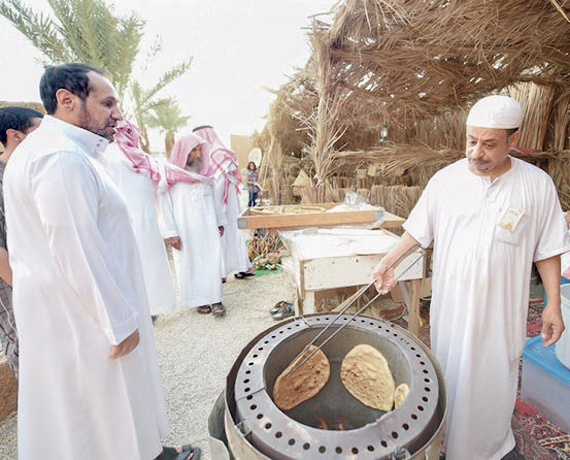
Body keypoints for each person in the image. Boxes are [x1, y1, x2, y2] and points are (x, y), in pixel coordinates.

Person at [3, 63, 199, 460]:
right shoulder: (59, 158)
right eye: (107, 102)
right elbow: (76, 247)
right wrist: (119, 322)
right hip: (84, 316)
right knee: (98, 411)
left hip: (78, 311)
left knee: (102, 409)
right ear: (67, 100)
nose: (119, 114)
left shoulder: (64, 152)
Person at [373, 95, 570, 460]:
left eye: (489, 144)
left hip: (502, 312)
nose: (476, 152)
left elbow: (548, 249)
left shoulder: (537, 185)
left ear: (514, 140)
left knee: (493, 381)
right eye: (471, 141)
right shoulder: (445, 181)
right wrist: (390, 261)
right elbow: (418, 232)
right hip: (453, 308)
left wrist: (553, 305)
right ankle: (444, 441)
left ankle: (489, 447)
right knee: (449, 373)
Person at [104, 119, 177, 319]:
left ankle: (152, 308)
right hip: (128, 219)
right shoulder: (109, 155)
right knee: (138, 265)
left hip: (146, 219)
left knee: (149, 264)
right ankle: (144, 309)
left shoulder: (142, 157)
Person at [162, 132, 227, 317]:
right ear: (184, 152)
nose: (198, 155)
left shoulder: (206, 176)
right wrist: (170, 232)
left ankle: (216, 299)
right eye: (194, 151)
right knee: (190, 263)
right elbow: (164, 207)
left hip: (207, 228)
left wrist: (220, 222)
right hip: (185, 231)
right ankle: (199, 300)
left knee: (212, 260)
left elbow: (215, 201)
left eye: (200, 150)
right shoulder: (170, 177)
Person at [0, 107, 43, 379]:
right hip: (14, 288)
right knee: (30, 353)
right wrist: (27, 289)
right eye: (40, 131)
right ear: (15, 135)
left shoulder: (28, 170)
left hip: (40, 282)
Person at [193, 125, 255, 280]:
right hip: (228, 204)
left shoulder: (217, 154)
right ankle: (238, 267)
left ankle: (223, 271)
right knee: (231, 234)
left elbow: (219, 184)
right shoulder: (222, 153)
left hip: (222, 203)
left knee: (224, 234)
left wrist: (214, 206)